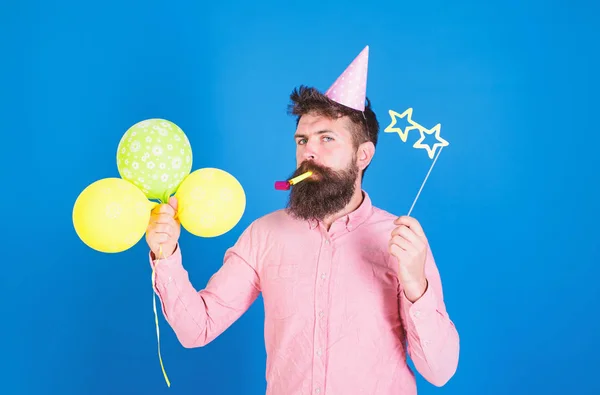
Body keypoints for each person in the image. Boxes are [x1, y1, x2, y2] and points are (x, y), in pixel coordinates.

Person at [146, 46, 459, 394]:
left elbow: (440, 371)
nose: (309, 151)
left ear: (363, 155)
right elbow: (197, 329)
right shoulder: (264, 234)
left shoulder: (400, 240)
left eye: (327, 139)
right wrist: (166, 254)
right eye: (303, 140)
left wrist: (416, 285)